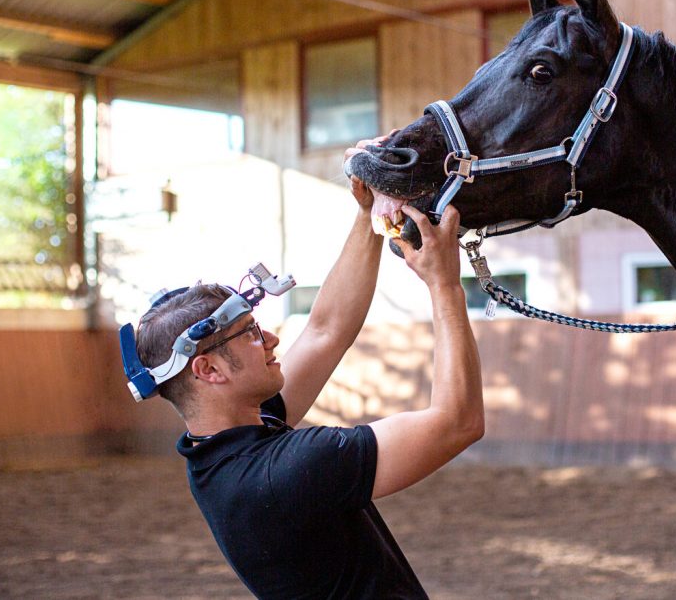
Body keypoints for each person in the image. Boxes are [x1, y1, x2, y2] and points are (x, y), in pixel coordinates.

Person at [120, 137, 483, 599]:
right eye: (250, 334)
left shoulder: (222, 450)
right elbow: (458, 423)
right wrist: (446, 286)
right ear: (209, 370)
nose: (270, 339)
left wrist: (368, 215)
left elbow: (325, 330)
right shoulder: (290, 469)